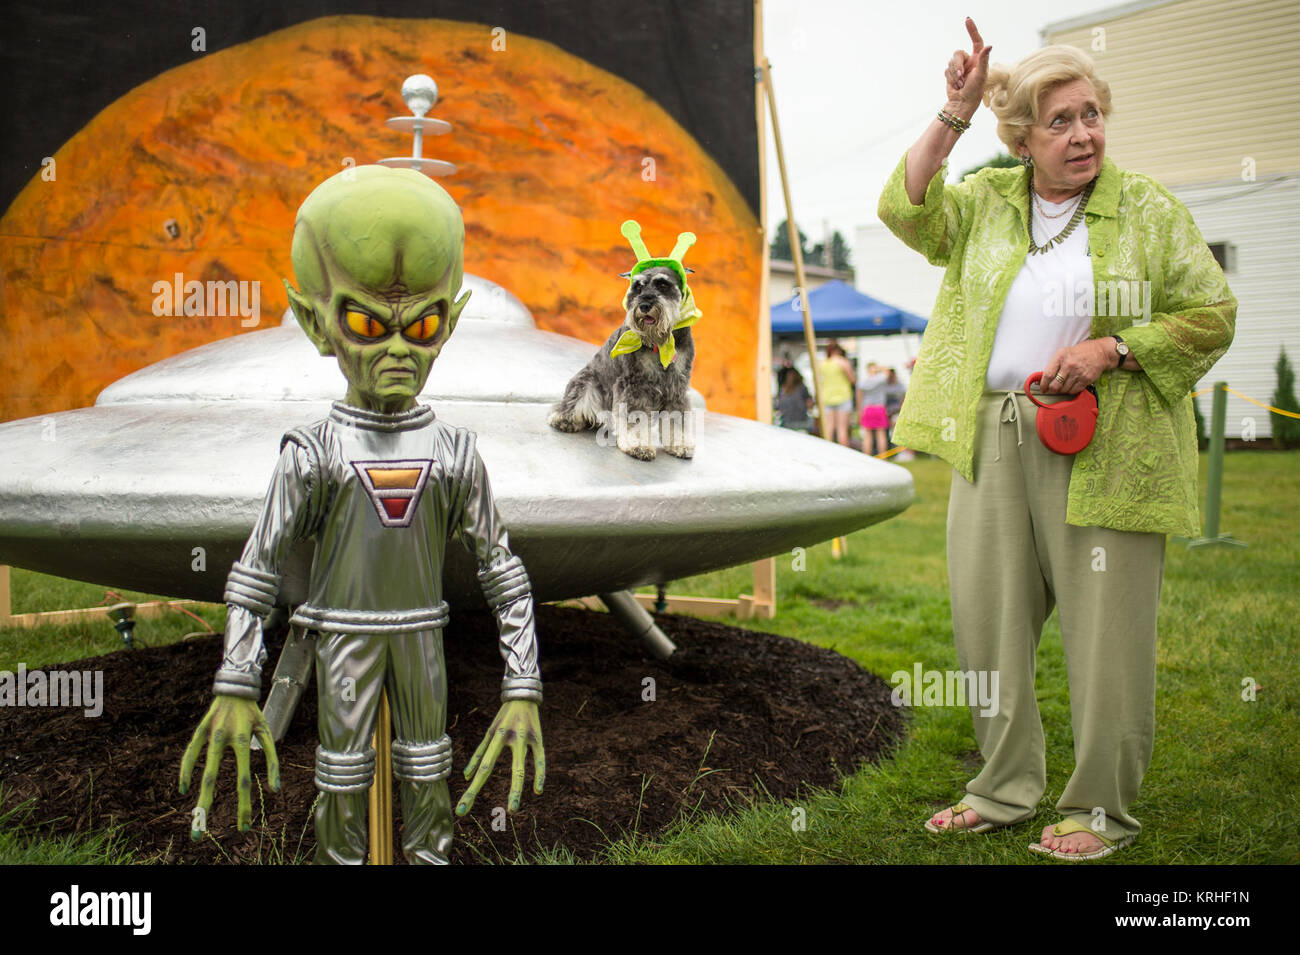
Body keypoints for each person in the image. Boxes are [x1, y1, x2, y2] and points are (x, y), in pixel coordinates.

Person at [878, 19, 1235, 860]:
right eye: (1060, 121)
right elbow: (904, 205)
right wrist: (955, 109)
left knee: (1107, 631)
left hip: (1108, 437)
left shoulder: (1145, 208)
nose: (1083, 135)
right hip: (996, 434)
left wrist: (1114, 347)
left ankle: (1101, 809)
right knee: (986, 621)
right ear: (1023, 139)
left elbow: (1212, 312)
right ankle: (1002, 786)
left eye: (1091, 116)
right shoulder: (990, 201)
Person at [179, 166, 545, 864]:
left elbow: (503, 570)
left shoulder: (455, 449)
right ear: (317, 323)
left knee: (429, 771)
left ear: (452, 323)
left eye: (425, 323)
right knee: (340, 782)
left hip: (418, 639)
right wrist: (234, 678)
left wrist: (522, 684)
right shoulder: (311, 452)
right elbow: (256, 571)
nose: (400, 349)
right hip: (343, 638)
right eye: (366, 323)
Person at [817, 341, 856, 446]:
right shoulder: (843, 362)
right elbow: (852, 379)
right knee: (842, 429)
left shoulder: (823, 363)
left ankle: (827, 453)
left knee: (829, 428)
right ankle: (844, 455)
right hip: (843, 396)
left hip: (827, 397)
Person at [857, 361, 890, 455]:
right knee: (881, 433)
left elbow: (859, 396)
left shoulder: (863, 382)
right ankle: (883, 456)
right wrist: (879, 367)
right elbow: (887, 371)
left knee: (867, 434)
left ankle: (867, 456)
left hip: (867, 408)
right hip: (879, 408)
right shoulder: (881, 379)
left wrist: (860, 410)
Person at [776, 366, 814, 432]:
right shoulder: (802, 388)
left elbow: (778, 406)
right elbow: (810, 404)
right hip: (802, 422)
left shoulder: (782, 390)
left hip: (787, 423)